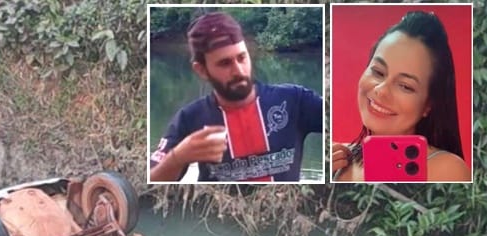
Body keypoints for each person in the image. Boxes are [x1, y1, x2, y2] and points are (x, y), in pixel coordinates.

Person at [149, 11, 323, 183]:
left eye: (242, 57)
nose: (238, 71)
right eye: (225, 63)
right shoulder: (190, 118)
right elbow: (152, 181)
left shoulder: (294, 100)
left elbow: (345, 120)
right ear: (201, 70)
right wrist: (178, 157)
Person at [332, 11, 470, 182]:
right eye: (378, 72)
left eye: (405, 86)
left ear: (428, 104)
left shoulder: (447, 169)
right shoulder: (339, 158)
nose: (382, 90)